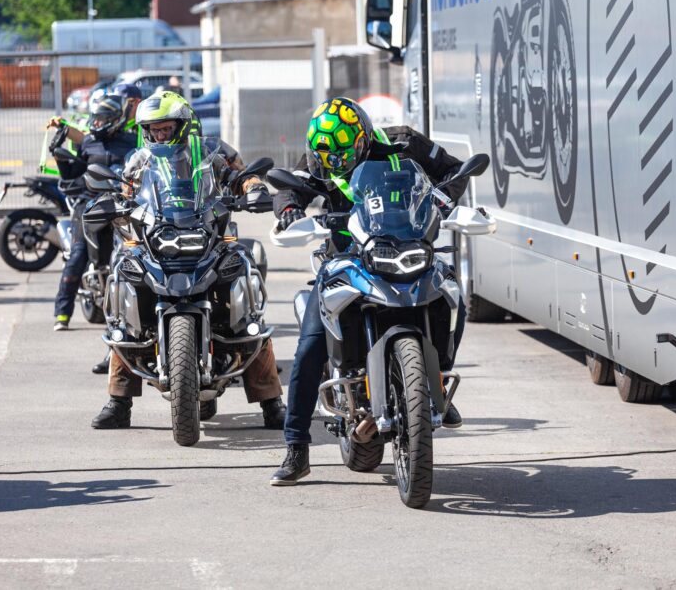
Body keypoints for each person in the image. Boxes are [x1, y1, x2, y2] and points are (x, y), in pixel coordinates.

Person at [270, 97, 468, 486]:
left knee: (450, 295)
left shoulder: (402, 142)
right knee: (309, 348)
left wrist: (445, 197)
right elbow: (288, 188)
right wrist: (289, 210)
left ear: (361, 140)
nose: (333, 164)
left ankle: (438, 380)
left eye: (343, 155)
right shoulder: (320, 153)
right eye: (326, 158)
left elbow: (453, 170)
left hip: (408, 246)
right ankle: (296, 448)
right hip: (346, 257)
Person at [91, 91, 287, 430]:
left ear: (181, 126)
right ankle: (118, 401)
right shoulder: (139, 160)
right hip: (156, 238)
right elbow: (122, 191)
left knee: (247, 296)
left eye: (165, 129)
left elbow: (241, 175)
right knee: (124, 286)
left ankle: (272, 403)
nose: (159, 136)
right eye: (153, 130)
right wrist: (111, 201)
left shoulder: (211, 151)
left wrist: (254, 189)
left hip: (209, 234)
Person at [49, 84, 142, 351]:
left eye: (102, 119)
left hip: (123, 204)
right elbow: (75, 172)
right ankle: (62, 312)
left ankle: (128, 314)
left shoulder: (131, 142)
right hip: (90, 203)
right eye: (95, 118)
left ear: (116, 120)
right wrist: (60, 155)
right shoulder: (89, 142)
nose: (97, 123)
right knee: (77, 254)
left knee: (131, 253)